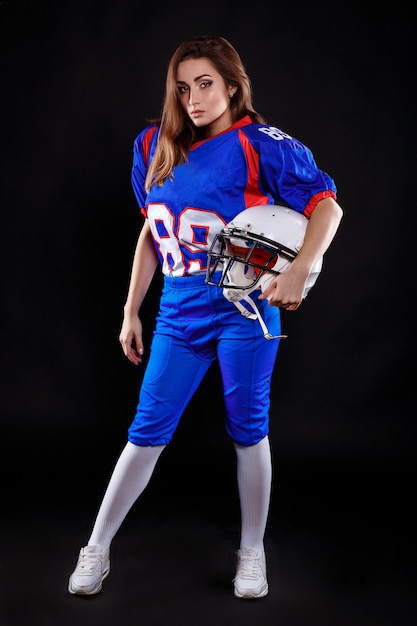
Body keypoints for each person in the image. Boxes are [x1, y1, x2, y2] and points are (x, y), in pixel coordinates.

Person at [68, 34, 343, 600]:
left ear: (233, 86)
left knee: (249, 430)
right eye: (183, 86)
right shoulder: (153, 144)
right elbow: (152, 233)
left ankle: (252, 552)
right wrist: (130, 310)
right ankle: (96, 547)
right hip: (179, 310)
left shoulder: (260, 143)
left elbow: (327, 207)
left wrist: (298, 270)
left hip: (246, 309)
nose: (193, 97)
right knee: (146, 434)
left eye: (205, 84)